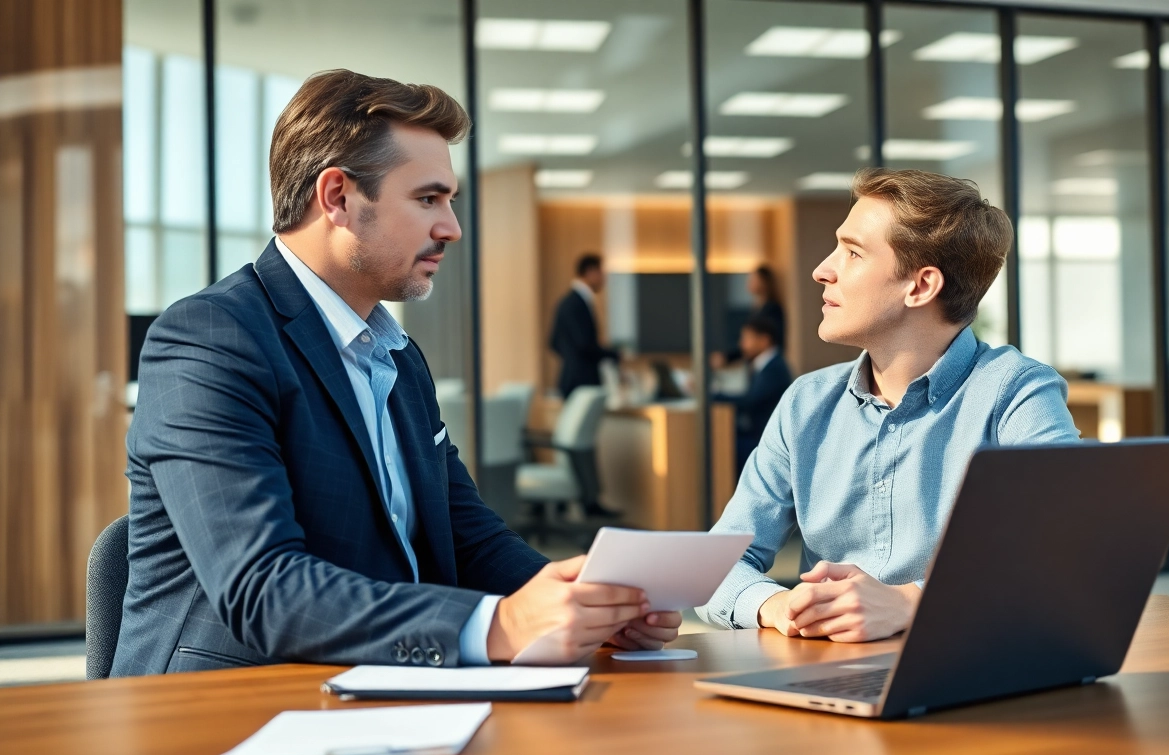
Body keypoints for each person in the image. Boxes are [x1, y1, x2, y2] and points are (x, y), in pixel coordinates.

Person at [114, 69, 679, 677]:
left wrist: (582, 601)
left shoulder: (398, 357)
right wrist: (503, 624)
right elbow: (261, 588)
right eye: (428, 199)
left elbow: (466, 534)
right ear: (338, 198)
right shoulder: (209, 340)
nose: (452, 228)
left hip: (380, 686)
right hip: (226, 706)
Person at [697, 168, 1078, 643]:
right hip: (825, 675)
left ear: (920, 286)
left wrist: (911, 603)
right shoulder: (805, 404)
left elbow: (1068, 551)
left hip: (963, 666)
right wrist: (778, 605)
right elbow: (715, 566)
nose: (823, 269)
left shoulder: (1017, 394)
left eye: (853, 252)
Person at [715, 313, 793, 478]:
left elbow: (750, 402)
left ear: (764, 340)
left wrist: (716, 396)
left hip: (764, 439)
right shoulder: (765, 365)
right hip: (758, 433)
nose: (742, 344)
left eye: (747, 339)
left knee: (722, 445)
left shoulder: (774, 367)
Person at [549, 254, 619, 398]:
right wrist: (613, 354)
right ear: (590, 272)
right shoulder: (576, 304)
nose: (604, 279)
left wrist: (570, 358)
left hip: (573, 379)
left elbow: (554, 342)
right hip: (581, 382)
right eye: (601, 273)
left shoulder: (569, 302)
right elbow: (584, 344)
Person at [712, 265, 787, 370]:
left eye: (753, 279)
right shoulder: (758, 308)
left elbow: (756, 342)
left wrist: (728, 357)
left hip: (767, 364)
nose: (749, 283)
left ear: (764, 282)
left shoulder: (771, 308)